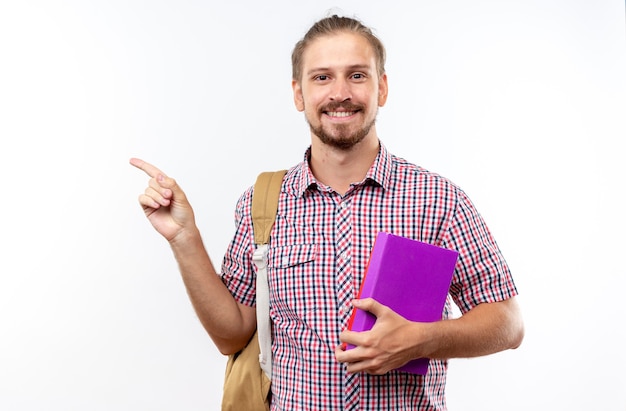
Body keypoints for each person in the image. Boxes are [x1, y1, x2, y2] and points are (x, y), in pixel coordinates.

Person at [131, 14, 524, 410]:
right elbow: (232, 335)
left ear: (381, 87)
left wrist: (420, 340)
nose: (340, 93)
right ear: (298, 93)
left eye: (357, 75)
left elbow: (508, 323)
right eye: (322, 78)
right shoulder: (263, 203)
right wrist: (184, 238)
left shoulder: (437, 198)